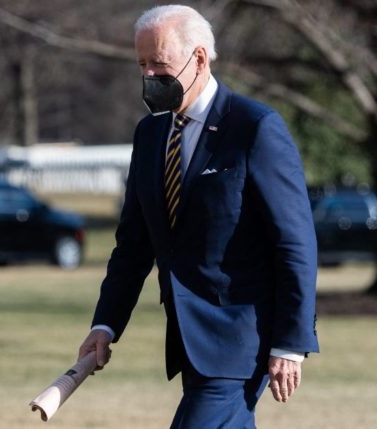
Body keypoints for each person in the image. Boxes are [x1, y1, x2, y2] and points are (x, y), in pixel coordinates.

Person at [77, 5, 318, 428]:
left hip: (243, 338)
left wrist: (291, 343)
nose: (150, 76)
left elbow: (294, 241)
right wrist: (106, 324)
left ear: (200, 59)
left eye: (160, 64)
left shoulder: (255, 126)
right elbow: (134, 245)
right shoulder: (150, 134)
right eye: (142, 65)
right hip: (188, 339)